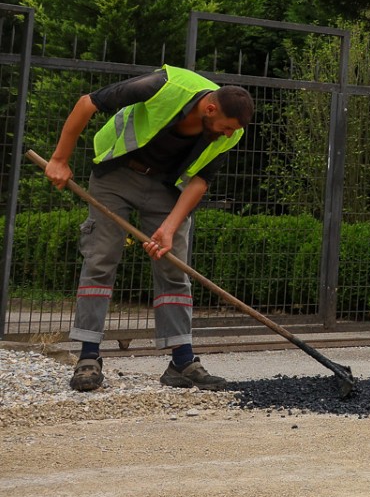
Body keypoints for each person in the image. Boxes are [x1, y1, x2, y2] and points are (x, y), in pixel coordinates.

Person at [43, 66, 253, 392]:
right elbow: (88, 103)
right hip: (117, 174)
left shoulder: (233, 130)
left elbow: (200, 181)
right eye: (226, 128)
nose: (229, 135)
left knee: (174, 268)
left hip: (167, 189)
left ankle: (182, 362)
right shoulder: (165, 85)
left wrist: (169, 228)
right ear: (210, 109)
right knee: (101, 259)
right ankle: (88, 357)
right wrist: (59, 159)